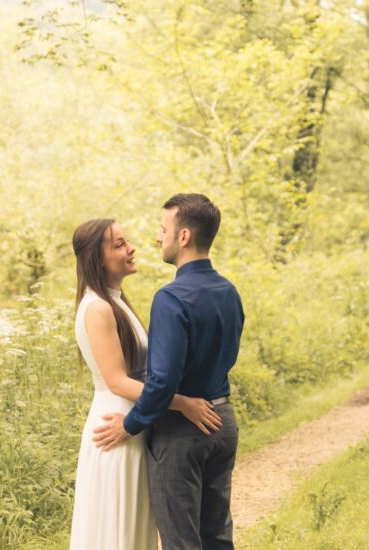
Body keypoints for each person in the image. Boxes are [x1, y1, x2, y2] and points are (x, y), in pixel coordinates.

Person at [93, 194, 245, 550]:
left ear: (184, 237)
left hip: (182, 434)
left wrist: (131, 424)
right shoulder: (229, 292)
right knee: (218, 536)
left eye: (164, 230)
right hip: (224, 419)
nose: (158, 238)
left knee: (181, 541)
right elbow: (228, 355)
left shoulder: (171, 298)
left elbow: (162, 380)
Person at [69, 217, 224, 550]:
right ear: (97, 258)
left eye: (127, 241)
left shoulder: (116, 301)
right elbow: (118, 381)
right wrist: (183, 402)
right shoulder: (97, 308)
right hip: (117, 427)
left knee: (136, 529)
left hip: (137, 422)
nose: (132, 247)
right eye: (120, 244)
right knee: (119, 531)